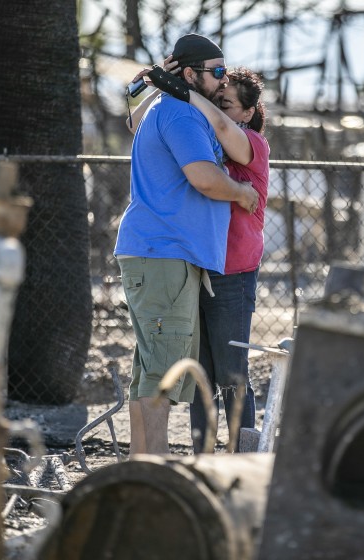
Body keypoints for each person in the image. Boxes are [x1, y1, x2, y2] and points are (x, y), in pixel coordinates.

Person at [114, 33, 259, 456]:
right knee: (162, 378)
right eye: (216, 73)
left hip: (156, 255)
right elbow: (203, 177)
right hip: (164, 257)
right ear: (191, 74)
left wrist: (164, 82)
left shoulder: (168, 107)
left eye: (225, 72)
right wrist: (240, 193)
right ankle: (154, 476)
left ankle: (142, 470)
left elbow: (134, 123)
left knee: (149, 375)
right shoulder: (181, 115)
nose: (222, 80)